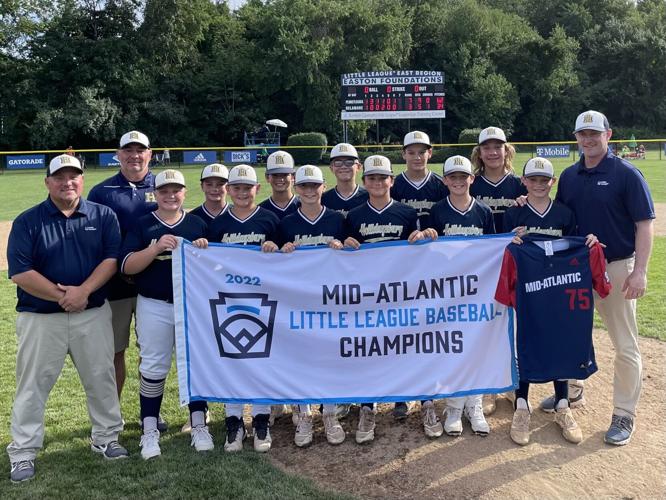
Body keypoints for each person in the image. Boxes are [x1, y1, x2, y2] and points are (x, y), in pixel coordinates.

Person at [7, 154, 128, 483]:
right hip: (41, 317)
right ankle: (23, 451)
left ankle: (106, 438)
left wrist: (83, 292)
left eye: (74, 175)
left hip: (92, 313)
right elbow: (21, 272)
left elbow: (111, 259)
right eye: (60, 176)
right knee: (32, 386)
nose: (67, 181)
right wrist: (64, 296)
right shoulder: (28, 220)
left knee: (101, 379)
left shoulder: (103, 216)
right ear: (47, 182)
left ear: (82, 180)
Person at [539, 110, 655, 446]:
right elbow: (556, 218)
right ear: (576, 137)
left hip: (616, 265)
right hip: (577, 267)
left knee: (624, 343)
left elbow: (644, 225)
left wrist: (640, 271)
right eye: (582, 134)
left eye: (595, 133)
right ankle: (574, 389)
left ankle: (623, 412)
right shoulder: (571, 175)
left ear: (608, 135)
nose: (588, 139)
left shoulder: (625, 173)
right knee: (573, 332)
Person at [501, 157, 601, 445]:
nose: (539, 185)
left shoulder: (563, 214)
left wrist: (589, 242)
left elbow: (574, 249)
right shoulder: (514, 214)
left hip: (558, 290)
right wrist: (511, 239)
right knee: (526, 342)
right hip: (527, 289)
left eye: (544, 180)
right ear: (524, 182)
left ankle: (562, 405)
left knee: (559, 341)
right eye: (533, 180)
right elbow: (503, 249)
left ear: (552, 182)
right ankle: (522, 405)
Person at [120, 169, 210, 459]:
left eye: (176, 190)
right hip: (153, 303)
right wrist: (155, 248)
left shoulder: (197, 223)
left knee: (195, 363)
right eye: (164, 191)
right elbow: (127, 266)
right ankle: (149, 430)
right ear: (154, 194)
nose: (171, 196)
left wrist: (205, 252)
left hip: (191, 305)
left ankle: (199, 424)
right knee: (154, 366)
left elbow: (217, 269)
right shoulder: (143, 225)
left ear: (185, 192)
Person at [343, 154, 429, 444]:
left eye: (383, 177)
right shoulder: (354, 215)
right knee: (371, 346)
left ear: (392, 180)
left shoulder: (405, 213)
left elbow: (419, 253)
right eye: (372, 178)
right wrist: (345, 244)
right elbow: (345, 258)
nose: (378, 182)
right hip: (368, 294)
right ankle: (368, 404)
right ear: (364, 181)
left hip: (400, 292)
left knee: (403, 343)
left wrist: (422, 237)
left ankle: (403, 397)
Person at [87, 131, 168, 430]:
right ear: (118, 154)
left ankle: (151, 412)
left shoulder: (163, 184)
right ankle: (112, 414)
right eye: (128, 150)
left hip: (155, 284)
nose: (135, 155)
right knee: (115, 351)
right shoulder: (102, 191)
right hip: (116, 285)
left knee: (151, 350)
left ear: (150, 153)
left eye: (140, 150)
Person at [208, 165, 280, 452]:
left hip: (263, 297)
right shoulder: (217, 223)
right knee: (232, 358)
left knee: (261, 357)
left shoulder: (270, 220)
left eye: (246, 187)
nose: (241, 192)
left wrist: (277, 247)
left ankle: (261, 420)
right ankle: (234, 421)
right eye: (235, 187)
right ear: (228, 190)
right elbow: (208, 263)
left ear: (257, 189)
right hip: (228, 299)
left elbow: (286, 256)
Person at [425, 155, 494, 438]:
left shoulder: (484, 212)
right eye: (452, 177)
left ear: (471, 179)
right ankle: (454, 406)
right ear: (445, 181)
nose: (457, 181)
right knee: (453, 346)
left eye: (462, 176)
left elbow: (493, 249)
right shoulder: (437, 211)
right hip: (448, 291)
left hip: (479, 289)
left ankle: (474, 404)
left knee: (477, 346)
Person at [279, 165, 347, 447]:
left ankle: (330, 413)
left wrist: (345, 245)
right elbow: (272, 263)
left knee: (329, 357)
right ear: (296, 188)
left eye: (314, 186)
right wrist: (278, 251)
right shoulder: (286, 223)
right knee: (301, 357)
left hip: (330, 298)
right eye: (304, 186)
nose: (309, 191)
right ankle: (304, 413)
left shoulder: (337, 219)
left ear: (323, 187)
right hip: (298, 300)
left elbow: (354, 253)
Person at [469, 126, 526, 415]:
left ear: (506, 150)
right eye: (487, 147)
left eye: (498, 146)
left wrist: (526, 202)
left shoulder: (519, 184)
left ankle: (514, 381)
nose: (492, 152)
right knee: (488, 322)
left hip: (515, 261)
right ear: (479, 153)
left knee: (515, 323)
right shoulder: (471, 183)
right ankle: (490, 385)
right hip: (484, 266)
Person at [391, 130, 448, 229]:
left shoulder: (441, 184)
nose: (417, 157)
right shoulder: (393, 185)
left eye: (422, 152)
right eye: (411, 153)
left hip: (434, 242)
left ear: (429, 153)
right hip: (404, 242)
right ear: (404, 154)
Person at [321, 143, 368, 217]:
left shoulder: (369, 197)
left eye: (349, 162)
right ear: (331, 168)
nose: (343, 166)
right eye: (338, 162)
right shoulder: (323, 199)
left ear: (358, 167)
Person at [258, 150, 300, 219]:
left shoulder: (303, 206)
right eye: (275, 175)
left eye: (284, 174)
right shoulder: (260, 211)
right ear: (267, 177)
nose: (280, 179)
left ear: (293, 177)